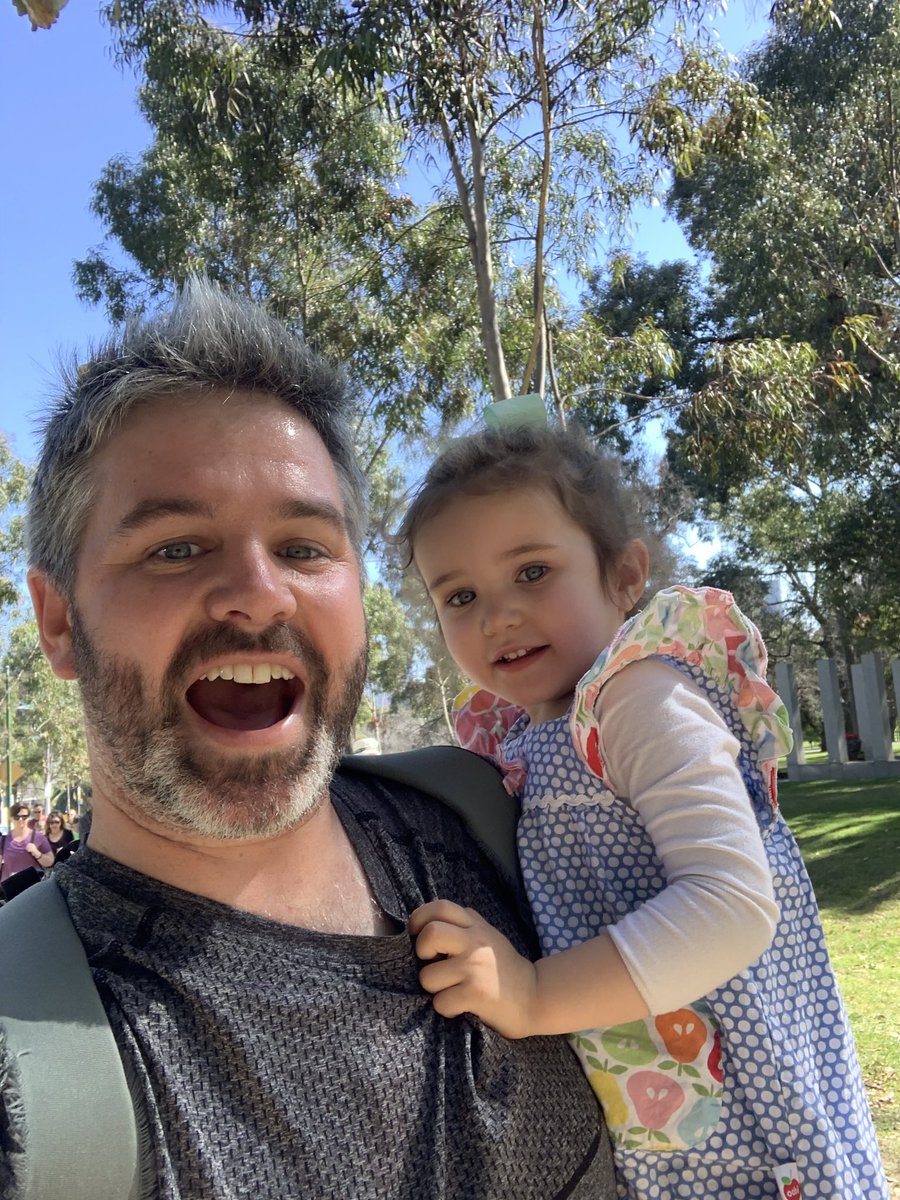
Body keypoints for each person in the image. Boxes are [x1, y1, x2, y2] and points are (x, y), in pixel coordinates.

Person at [0, 280, 615, 1200]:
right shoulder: (30, 1068)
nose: (260, 593)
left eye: (303, 547)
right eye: (175, 547)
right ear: (56, 624)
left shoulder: (494, 820)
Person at [397, 422, 889, 1200]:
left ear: (624, 576)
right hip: (667, 1124)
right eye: (460, 596)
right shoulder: (524, 737)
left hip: (760, 1138)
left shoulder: (637, 695)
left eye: (532, 571)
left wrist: (532, 994)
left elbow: (731, 906)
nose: (497, 616)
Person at [1, 806, 54, 901]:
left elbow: (50, 862)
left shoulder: (38, 837)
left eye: (24, 817)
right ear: (11, 818)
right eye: (17, 817)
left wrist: (37, 853)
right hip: (9, 889)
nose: (21, 820)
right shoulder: (3, 840)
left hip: (32, 889)